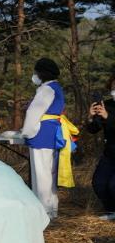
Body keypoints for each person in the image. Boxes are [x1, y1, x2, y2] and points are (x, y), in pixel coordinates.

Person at [22, 57, 71, 219]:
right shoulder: (56, 87)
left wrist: (28, 132)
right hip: (52, 133)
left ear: (42, 73)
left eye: (36, 71)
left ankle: (43, 213)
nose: (34, 74)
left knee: (41, 175)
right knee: (50, 174)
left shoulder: (46, 89)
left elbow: (33, 113)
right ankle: (51, 210)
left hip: (42, 135)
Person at [88, 74, 115, 212]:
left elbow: (109, 120)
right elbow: (93, 129)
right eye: (114, 86)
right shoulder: (107, 105)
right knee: (99, 183)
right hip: (110, 153)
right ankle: (111, 210)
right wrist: (91, 117)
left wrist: (107, 117)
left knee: (113, 185)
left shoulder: (107, 111)